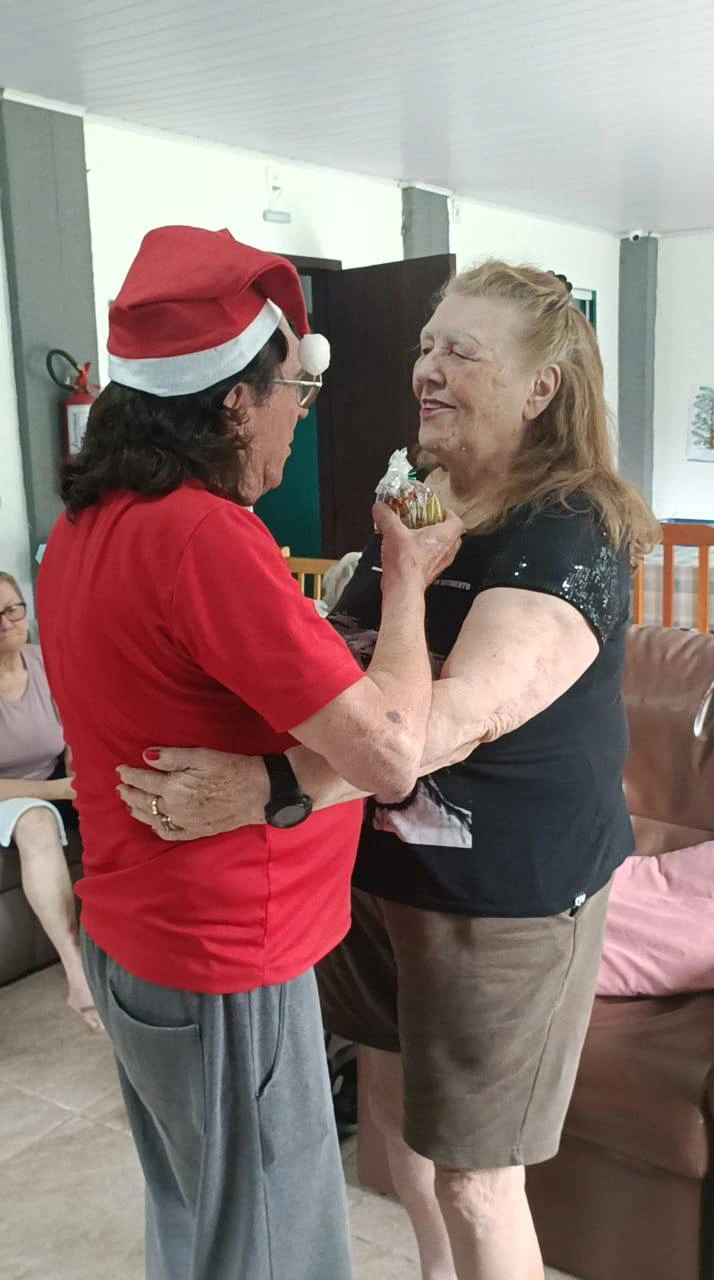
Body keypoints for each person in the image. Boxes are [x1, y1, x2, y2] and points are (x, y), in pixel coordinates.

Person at [118, 260, 660, 1280]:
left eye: (461, 352)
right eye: (425, 346)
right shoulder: (418, 492)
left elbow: (447, 722)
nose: (427, 370)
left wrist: (272, 787)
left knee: (477, 1183)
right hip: (375, 878)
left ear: (540, 387)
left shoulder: (571, 527)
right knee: (398, 1130)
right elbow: (350, 665)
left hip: (502, 898)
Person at [36, 225, 462, 1280]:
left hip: (140, 940)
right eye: (294, 395)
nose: (297, 419)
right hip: (224, 962)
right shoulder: (203, 537)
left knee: (204, 1228)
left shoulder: (86, 525)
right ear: (234, 401)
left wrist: (275, 769)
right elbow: (392, 753)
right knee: (273, 1251)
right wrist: (408, 578)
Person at [0, 571, 101, 1031]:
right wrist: (57, 792)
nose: (7, 622)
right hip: (13, 795)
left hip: (50, 781)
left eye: (13, 609)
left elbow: (73, 734)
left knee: (115, 801)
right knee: (37, 820)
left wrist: (81, 779)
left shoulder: (44, 662)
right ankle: (77, 972)